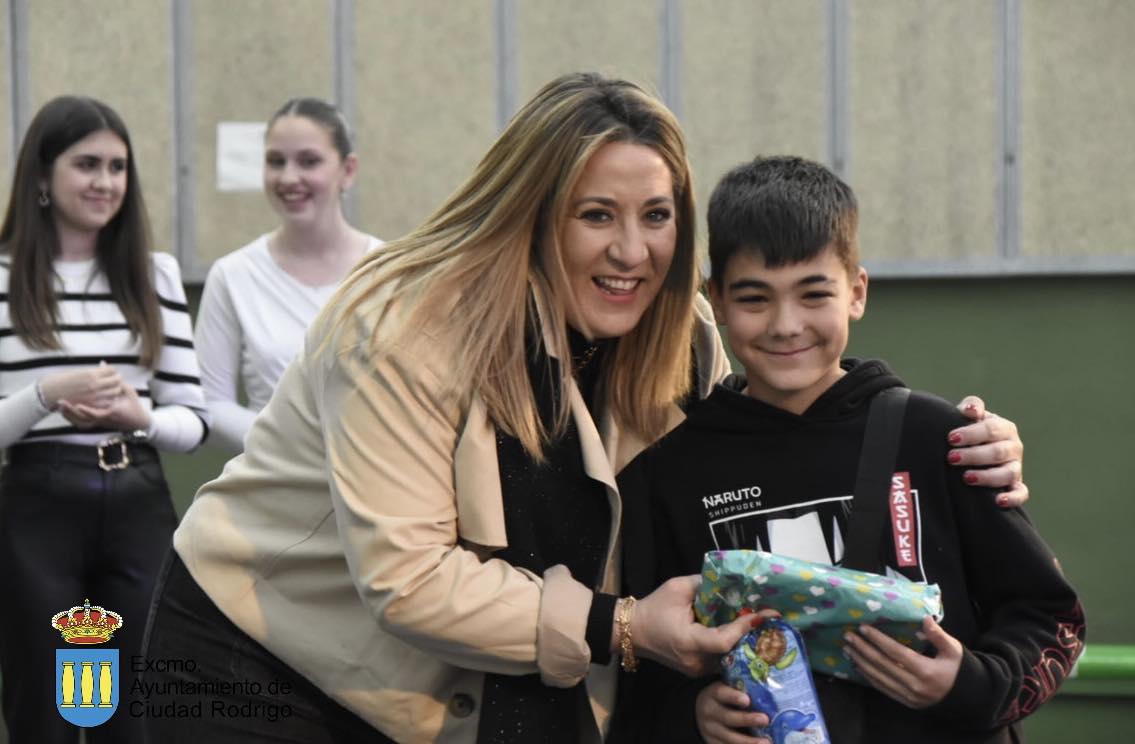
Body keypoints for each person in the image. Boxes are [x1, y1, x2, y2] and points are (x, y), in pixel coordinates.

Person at [141, 74, 1025, 743]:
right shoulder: (403, 324)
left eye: (656, 214)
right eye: (595, 214)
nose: (630, 250)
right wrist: (626, 629)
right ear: (532, 212)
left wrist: (955, 441)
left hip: (459, 692)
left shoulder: (684, 339)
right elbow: (406, 581)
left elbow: (779, 439)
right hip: (253, 658)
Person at [616, 156, 1084, 743]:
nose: (786, 325)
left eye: (814, 295)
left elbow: (1051, 617)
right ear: (717, 300)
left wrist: (970, 684)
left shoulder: (940, 439)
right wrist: (696, 715)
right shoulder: (672, 471)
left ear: (857, 291)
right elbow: (647, 665)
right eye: (755, 299)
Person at [0, 96, 208, 743]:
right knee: (49, 698)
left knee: (135, 701)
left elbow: (192, 422)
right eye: (86, 164)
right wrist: (46, 395)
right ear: (40, 176)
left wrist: (137, 414)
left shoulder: (154, 274)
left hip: (137, 497)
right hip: (36, 502)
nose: (105, 183)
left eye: (118, 167)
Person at [194, 97, 383, 454]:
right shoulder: (234, 275)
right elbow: (210, 402)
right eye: (275, 161)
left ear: (348, 170)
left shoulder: (388, 272)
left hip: (372, 486)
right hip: (271, 485)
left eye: (309, 161)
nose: (289, 177)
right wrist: (293, 441)